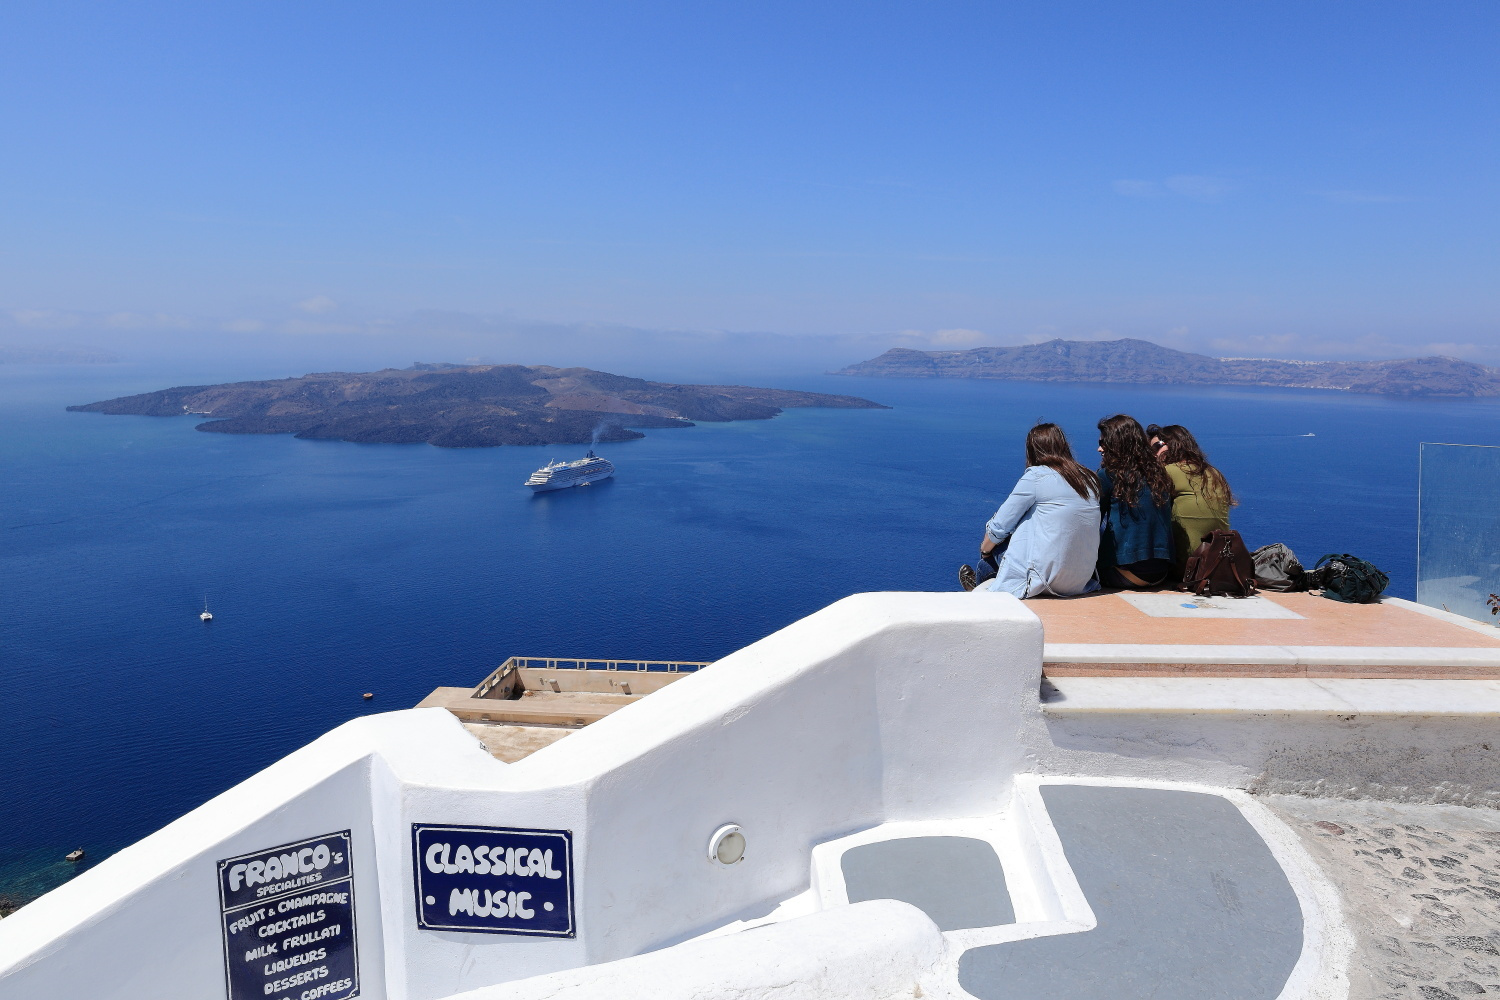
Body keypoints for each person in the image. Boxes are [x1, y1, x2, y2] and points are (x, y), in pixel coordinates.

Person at [958, 423, 1102, 597]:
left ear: (1032, 450)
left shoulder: (1036, 477)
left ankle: (979, 592)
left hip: (1043, 579)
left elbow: (999, 527)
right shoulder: (1090, 479)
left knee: (986, 561)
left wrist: (985, 551)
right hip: (1079, 580)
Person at [1095, 414, 1175, 588]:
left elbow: (1092, 519)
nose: (1099, 449)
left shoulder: (1109, 475)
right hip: (1161, 572)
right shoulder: (1160, 473)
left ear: (1116, 445)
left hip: (1127, 572)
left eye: (1103, 444)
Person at [1147, 423, 1235, 575]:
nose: (1152, 454)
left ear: (1171, 445)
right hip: (1219, 565)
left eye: (1155, 448)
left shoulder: (1168, 472)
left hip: (1186, 568)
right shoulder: (1214, 473)